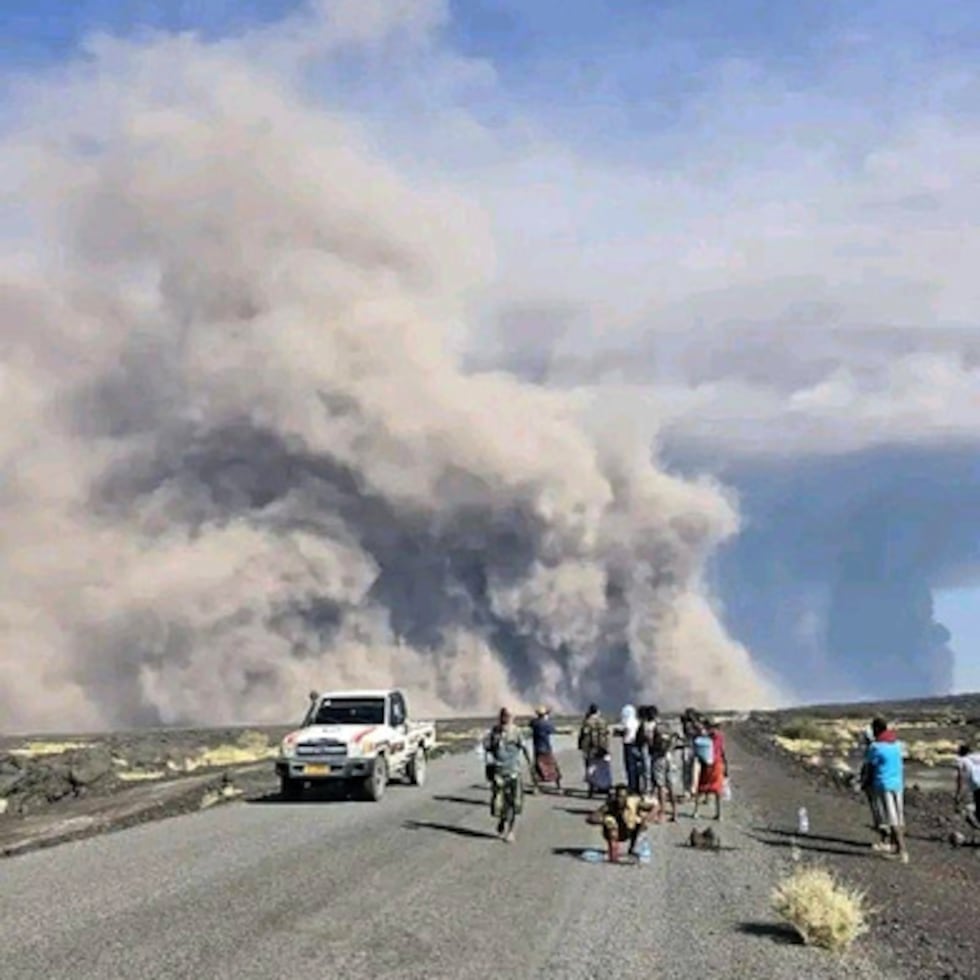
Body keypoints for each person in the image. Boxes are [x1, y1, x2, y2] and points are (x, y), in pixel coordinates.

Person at [483, 707, 532, 842]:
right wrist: (489, 764)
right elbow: (487, 748)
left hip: (513, 772)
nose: (506, 718)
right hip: (499, 772)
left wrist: (530, 764)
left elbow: (524, 748)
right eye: (504, 716)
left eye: (508, 716)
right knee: (498, 803)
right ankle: (501, 821)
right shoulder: (495, 731)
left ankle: (510, 831)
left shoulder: (517, 732)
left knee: (513, 803)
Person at [864, 716, 909, 863]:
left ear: (876, 729)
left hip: (883, 784)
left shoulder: (875, 747)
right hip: (898, 784)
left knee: (891, 819)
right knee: (898, 817)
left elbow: (870, 768)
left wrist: (865, 784)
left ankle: (902, 852)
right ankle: (896, 848)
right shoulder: (897, 744)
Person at [591, 783, 654, 863]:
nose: (620, 799)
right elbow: (592, 817)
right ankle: (613, 853)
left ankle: (633, 848)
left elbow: (653, 807)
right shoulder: (610, 805)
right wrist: (605, 820)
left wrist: (646, 819)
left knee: (639, 824)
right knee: (611, 825)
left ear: (627, 797)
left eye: (623, 797)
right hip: (615, 832)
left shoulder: (633, 803)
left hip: (628, 830)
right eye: (618, 796)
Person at [692, 718, 727, 821]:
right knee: (717, 790)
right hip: (716, 764)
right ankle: (719, 814)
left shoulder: (706, 737)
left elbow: (698, 747)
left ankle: (696, 811)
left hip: (709, 764)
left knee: (702, 788)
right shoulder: (720, 737)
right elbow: (722, 751)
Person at [647, 706, 678, 822]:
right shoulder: (666, 725)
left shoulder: (652, 727)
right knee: (671, 786)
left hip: (658, 758)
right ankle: (675, 812)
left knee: (660, 786)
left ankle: (662, 813)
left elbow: (651, 743)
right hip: (669, 757)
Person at [578, 704, 612, 797]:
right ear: (598, 711)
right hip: (602, 748)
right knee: (603, 768)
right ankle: (606, 787)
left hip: (590, 749)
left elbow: (582, 736)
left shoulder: (587, 722)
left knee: (590, 769)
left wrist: (581, 747)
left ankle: (591, 789)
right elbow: (607, 735)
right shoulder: (603, 721)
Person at [529, 705, 562, 792]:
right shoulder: (547, 724)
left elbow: (531, 723)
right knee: (553, 768)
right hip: (546, 749)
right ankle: (559, 787)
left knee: (537, 768)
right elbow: (553, 730)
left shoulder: (534, 723)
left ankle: (536, 788)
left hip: (537, 749)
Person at [615, 704, 643, 795]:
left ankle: (632, 787)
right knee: (636, 767)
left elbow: (625, 731)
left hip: (628, 745)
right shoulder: (637, 722)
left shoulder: (628, 722)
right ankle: (637, 786)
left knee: (630, 767)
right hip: (636, 745)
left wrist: (618, 733)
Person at [954, 743, 980, 828]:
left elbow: (960, 777)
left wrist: (958, 793)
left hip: (977, 785)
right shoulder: (977, 756)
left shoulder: (960, 760)